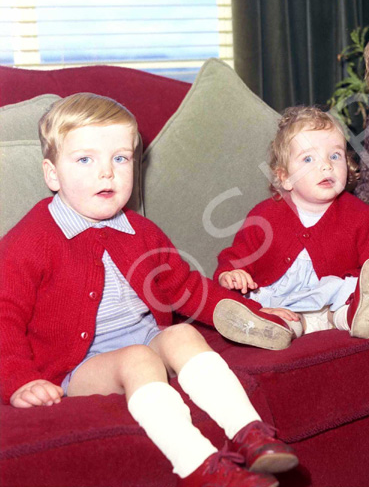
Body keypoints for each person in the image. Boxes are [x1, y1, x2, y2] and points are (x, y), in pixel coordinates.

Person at [0, 93, 298, 487]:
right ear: (52, 174)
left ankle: (252, 434)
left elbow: (188, 289)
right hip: (78, 366)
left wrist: (255, 312)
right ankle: (200, 467)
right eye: (85, 159)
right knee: (139, 357)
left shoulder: (142, 233)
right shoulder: (30, 240)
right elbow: (4, 315)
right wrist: (21, 380)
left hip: (146, 340)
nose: (107, 173)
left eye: (120, 158)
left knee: (182, 332)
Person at [212, 106, 369, 351]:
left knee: (362, 284)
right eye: (308, 159)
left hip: (333, 304)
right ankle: (269, 329)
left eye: (335, 156)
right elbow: (237, 255)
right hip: (284, 303)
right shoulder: (263, 216)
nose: (326, 166)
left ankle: (358, 318)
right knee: (283, 318)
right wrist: (231, 273)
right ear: (284, 177)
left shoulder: (360, 216)